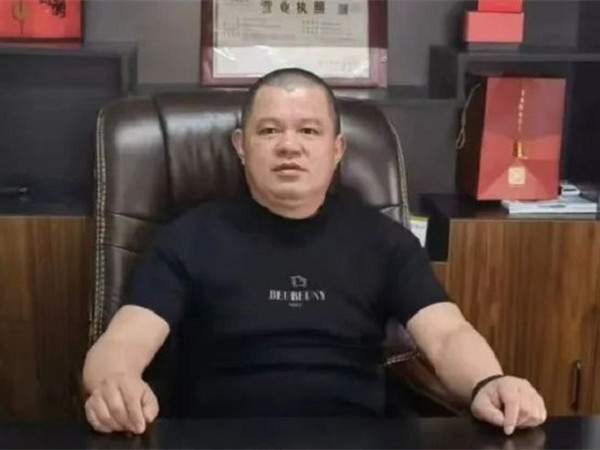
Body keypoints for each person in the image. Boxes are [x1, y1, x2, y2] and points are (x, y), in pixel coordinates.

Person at [82, 68, 546, 435]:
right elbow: (124, 340)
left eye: (308, 130)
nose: (289, 146)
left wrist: (490, 383)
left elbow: (446, 334)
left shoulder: (384, 241)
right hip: (219, 436)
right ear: (241, 146)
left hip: (355, 436)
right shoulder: (188, 237)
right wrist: (114, 385)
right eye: (269, 131)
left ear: (337, 148)